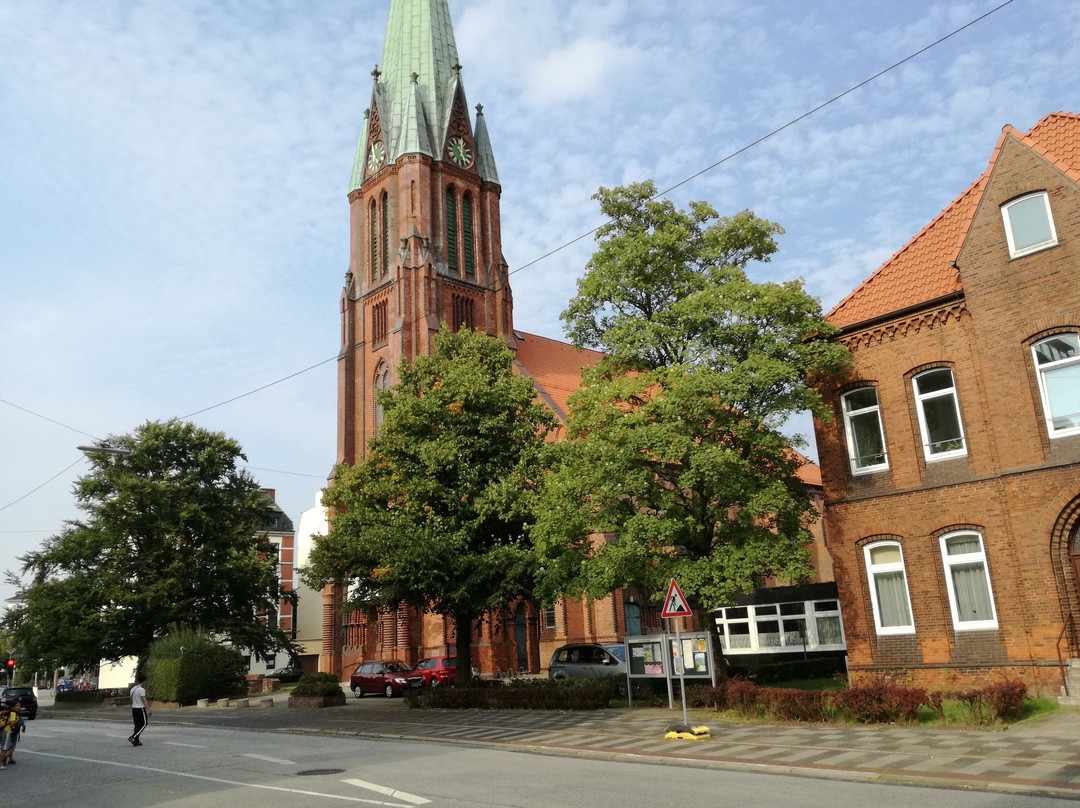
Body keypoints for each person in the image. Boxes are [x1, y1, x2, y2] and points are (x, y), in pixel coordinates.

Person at [128, 677, 151, 747]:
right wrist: (148, 709)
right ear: (143, 682)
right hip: (140, 708)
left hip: (134, 708)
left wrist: (132, 706)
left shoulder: (132, 689)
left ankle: (136, 740)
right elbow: (144, 700)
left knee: (137, 724)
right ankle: (133, 737)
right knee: (144, 723)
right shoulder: (141, 690)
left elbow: (131, 699)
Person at [0, 703, 19, 768]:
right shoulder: (12, 713)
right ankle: (0, 764)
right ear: (12, 707)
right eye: (17, 706)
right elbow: (11, 724)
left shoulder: (3, 712)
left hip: (1, 730)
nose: (19, 707)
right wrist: (16, 720)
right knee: (4, 749)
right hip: (6, 731)